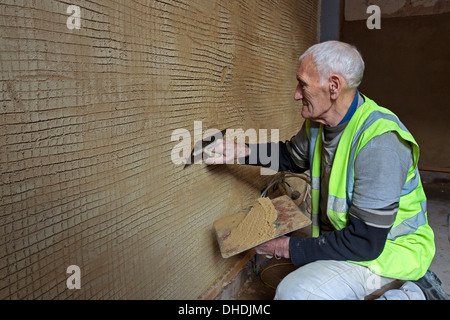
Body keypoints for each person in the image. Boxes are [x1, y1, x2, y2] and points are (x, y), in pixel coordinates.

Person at [205, 41, 449, 300]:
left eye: (303, 84)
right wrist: (241, 151)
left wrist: (286, 247)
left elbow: (366, 242)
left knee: (296, 292)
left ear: (334, 86)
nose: (296, 94)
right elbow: (292, 156)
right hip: (357, 240)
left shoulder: (380, 144)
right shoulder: (318, 124)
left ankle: (411, 293)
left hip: (389, 252)